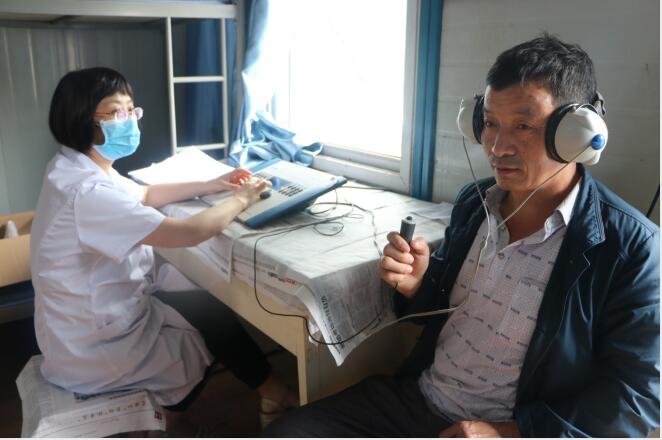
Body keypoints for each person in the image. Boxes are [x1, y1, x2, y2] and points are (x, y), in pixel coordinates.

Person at [263, 34, 660, 437]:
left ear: (575, 134)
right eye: (489, 123)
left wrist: (508, 432)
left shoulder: (633, 249)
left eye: (523, 125)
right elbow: (445, 309)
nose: (497, 147)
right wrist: (419, 283)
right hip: (417, 399)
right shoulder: (475, 201)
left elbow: (640, 399)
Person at [31, 67, 298, 435]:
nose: (129, 120)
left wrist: (212, 183)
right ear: (82, 120)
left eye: (131, 109)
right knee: (203, 336)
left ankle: (272, 392)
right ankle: (172, 422)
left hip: (85, 321)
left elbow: (144, 193)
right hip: (96, 346)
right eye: (117, 112)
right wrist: (242, 198)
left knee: (203, 306)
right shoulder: (88, 192)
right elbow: (189, 232)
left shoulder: (74, 167)